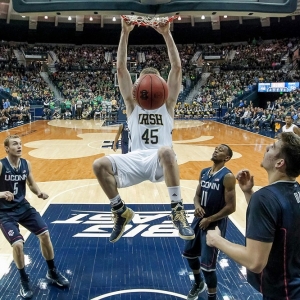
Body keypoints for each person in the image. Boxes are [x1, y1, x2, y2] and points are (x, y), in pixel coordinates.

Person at [93, 19, 194, 243]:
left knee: (167, 151)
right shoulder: (132, 104)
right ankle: (120, 211)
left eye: (153, 83)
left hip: (159, 160)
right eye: (142, 82)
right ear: (139, 88)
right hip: (136, 158)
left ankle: (178, 210)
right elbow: (120, 69)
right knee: (99, 165)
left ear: (161, 88)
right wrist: (124, 33)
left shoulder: (169, 104)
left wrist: (167, 34)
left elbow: (177, 68)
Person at [206, 132, 300, 300]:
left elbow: (255, 262)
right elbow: (276, 222)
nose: (267, 147)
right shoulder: (295, 190)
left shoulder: (265, 198)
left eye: (273, 147)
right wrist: (249, 193)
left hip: (282, 293)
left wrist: (216, 240)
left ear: (280, 163)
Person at [0, 135, 69, 299]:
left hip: (22, 207)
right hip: (5, 212)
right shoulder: (1, 165)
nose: (19, 146)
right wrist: (1, 193)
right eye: (15, 144)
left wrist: (39, 192)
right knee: (17, 244)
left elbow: (30, 183)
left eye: (20, 143)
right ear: (7, 148)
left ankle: (52, 272)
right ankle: (24, 280)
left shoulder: (25, 164)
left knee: (44, 234)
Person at [182, 144, 236, 300]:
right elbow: (197, 195)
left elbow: (231, 207)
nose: (216, 150)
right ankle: (198, 283)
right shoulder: (204, 172)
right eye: (216, 148)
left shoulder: (228, 176)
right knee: (190, 254)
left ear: (226, 158)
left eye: (221, 150)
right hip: (199, 220)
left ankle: (212, 297)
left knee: (208, 267)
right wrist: (197, 206)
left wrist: (210, 219)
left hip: (215, 224)